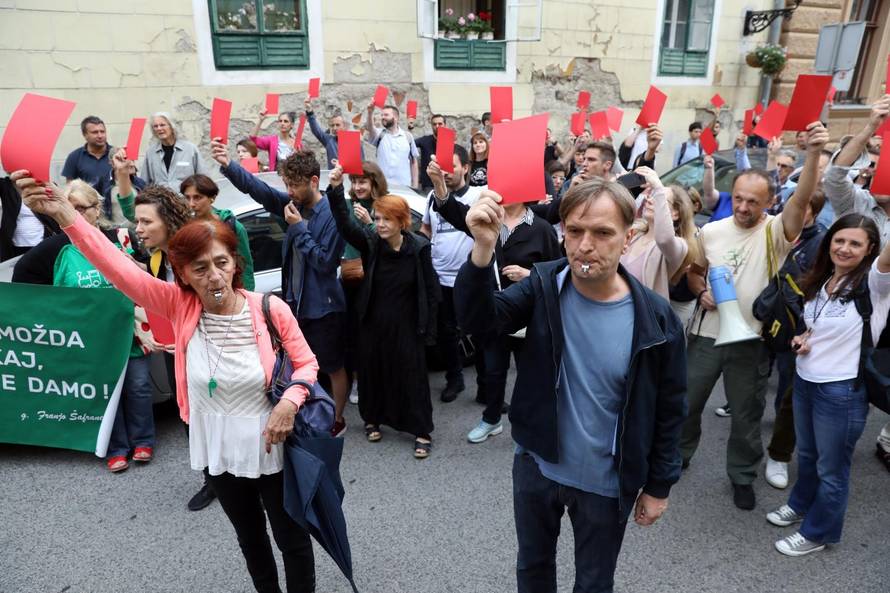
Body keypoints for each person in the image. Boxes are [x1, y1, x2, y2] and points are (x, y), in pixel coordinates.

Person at [18, 173, 319, 592]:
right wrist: (66, 215)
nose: (214, 276)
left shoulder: (269, 308)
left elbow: (306, 364)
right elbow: (116, 266)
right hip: (215, 444)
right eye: (200, 267)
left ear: (235, 263)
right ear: (183, 273)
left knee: (292, 539)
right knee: (250, 540)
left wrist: (290, 402)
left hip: (273, 443)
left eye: (221, 262)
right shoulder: (178, 305)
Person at [453, 178, 687, 593]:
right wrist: (483, 249)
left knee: (594, 582)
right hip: (536, 465)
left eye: (602, 233)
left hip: (606, 482)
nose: (584, 245)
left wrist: (658, 486)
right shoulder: (544, 285)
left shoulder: (656, 318)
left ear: (628, 237)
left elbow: (670, 407)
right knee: (533, 568)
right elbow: (479, 323)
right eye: (575, 231)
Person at [680, 121, 825, 511]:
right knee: (688, 403)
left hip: (751, 340)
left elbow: (802, 198)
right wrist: (701, 292)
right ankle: (678, 457)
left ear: (768, 204)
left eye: (753, 202)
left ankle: (742, 475)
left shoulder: (777, 231)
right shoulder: (711, 231)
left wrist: (812, 155)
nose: (744, 207)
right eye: (739, 198)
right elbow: (694, 273)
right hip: (706, 335)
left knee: (746, 415)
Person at [11, 180, 156, 474]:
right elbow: (24, 278)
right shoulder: (54, 248)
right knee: (104, 394)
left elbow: (152, 272)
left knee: (138, 387)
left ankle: (143, 441)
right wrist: (52, 316)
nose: (74, 212)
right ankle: (116, 449)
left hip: (130, 332)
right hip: (91, 341)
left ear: (96, 209)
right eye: (69, 207)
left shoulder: (120, 238)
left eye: (81, 208)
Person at [766, 212, 890, 556]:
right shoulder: (823, 280)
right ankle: (801, 504)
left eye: (855, 243)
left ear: (870, 251)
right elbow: (816, 326)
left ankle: (818, 532)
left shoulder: (876, 284)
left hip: (841, 392)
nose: (845, 248)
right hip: (806, 380)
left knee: (832, 468)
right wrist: (802, 339)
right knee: (807, 455)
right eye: (840, 240)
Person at [211, 140, 350, 438]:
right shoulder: (293, 204)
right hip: (296, 304)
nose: (289, 191)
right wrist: (228, 165)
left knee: (332, 366)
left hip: (324, 308)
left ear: (314, 181)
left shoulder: (333, 214)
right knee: (300, 365)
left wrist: (298, 228)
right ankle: (308, 413)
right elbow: (258, 190)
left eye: (294, 185)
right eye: (286, 183)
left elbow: (325, 263)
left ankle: (337, 418)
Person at [431, 160, 561, 445]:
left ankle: (529, 424)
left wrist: (529, 275)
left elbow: (557, 271)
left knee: (531, 373)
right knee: (493, 370)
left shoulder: (541, 228)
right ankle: (491, 420)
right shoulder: (487, 221)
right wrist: (440, 187)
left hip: (530, 314)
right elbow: (454, 213)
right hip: (494, 311)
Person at [327, 161, 440, 459]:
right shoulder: (372, 243)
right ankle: (372, 419)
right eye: (377, 219)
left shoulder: (418, 248)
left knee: (411, 376)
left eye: (386, 219)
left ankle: (421, 430)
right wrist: (337, 190)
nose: (379, 224)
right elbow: (347, 225)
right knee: (374, 373)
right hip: (373, 322)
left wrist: (430, 328)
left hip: (406, 324)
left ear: (402, 221)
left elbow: (430, 290)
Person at [820, 94, 890, 472]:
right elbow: (833, 177)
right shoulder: (858, 205)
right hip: (845, 322)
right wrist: (869, 128)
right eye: (877, 167)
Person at [763, 189, 828, 490]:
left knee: (787, 380)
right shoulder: (780, 232)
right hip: (773, 314)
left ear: (814, 212)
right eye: (791, 206)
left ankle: (780, 436)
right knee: (763, 364)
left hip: (796, 324)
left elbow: (814, 285)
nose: (796, 212)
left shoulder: (819, 242)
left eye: (803, 208)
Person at [421, 145, 483, 403]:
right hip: (441, 278)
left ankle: (487, 388)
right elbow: (426, 230)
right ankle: (454, 379)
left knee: (481, 333)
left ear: (466, 168)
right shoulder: (431, 197)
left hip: (471, 279)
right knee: (448, 333)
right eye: (442, 168)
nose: (446, 173)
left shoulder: (480, 196)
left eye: (452, 167)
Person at [340, 161, 389, 404]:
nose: (358, 187)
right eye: (355, 182)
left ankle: (380, 379)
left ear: (374, 182)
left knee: (377, 333)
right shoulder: (348, 206)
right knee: (356, 334)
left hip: (378, 278)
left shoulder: (384, 206)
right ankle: (358, 381)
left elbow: (391, 243)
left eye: (363, 182)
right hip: (351, 277)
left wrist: (370, 222)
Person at [622, 167, 699, 301]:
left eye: (659, 198)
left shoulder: (679, 246)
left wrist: (658, 187)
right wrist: (617, 186)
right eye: (651, 195)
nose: (650, 200)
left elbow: (664, 239)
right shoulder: (633, 233)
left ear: (675, 214)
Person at [180, 174, 256, 290]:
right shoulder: (185, 227)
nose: (191, 204)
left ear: (212, 198)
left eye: (197, 197)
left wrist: (247, 297)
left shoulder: (232, 226)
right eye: (187, 198)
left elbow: (245, 266)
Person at [61, 116, 116, 220]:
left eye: (102, 131)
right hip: (88, 213)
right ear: (85, 135)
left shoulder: (116, 154)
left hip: (115, 211)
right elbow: (70, 189)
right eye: (95, 132)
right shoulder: (74, 157)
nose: (100, 135)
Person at [141, 112, 210, 191]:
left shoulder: (190, 149)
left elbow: (204, 178)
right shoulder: (150, 153)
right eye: (155, 126)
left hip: (186, 201)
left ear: (172, 126)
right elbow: (144, 183)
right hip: (160, 201)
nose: (159, 128)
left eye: (162, 125)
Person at [0, 175, 58, 261]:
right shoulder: (7, 186)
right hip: (16, 244)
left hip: (41, 242)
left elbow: (56, 215)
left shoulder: (45, 185)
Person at [364, 103, 419, 188]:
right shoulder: (379, 134)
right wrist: (370, 112)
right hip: (382, 186)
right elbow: (370, 127)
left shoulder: (408, 136)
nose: (383, 117)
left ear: (396, 117)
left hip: (404, 186)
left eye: (386, 115)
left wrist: (415, 186)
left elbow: (414, 162)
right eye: (382, 115)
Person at [304, 96, 358, 168]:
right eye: (332, 125)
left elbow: (360, 164)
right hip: (333, 177)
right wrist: (309, 110)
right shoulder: (329, 140)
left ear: (345, 126)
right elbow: (316, 130)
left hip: (349, 178)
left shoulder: (354, 141)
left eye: (337, 125)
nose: (334, 128)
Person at [415, 114, 447, 192]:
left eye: (440, 124)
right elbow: (409, 144)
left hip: (445, 184)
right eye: (434, 124)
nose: (437, 126)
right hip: (428, 185)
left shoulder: (448, 142)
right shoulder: (424, 140)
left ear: (445, 125)